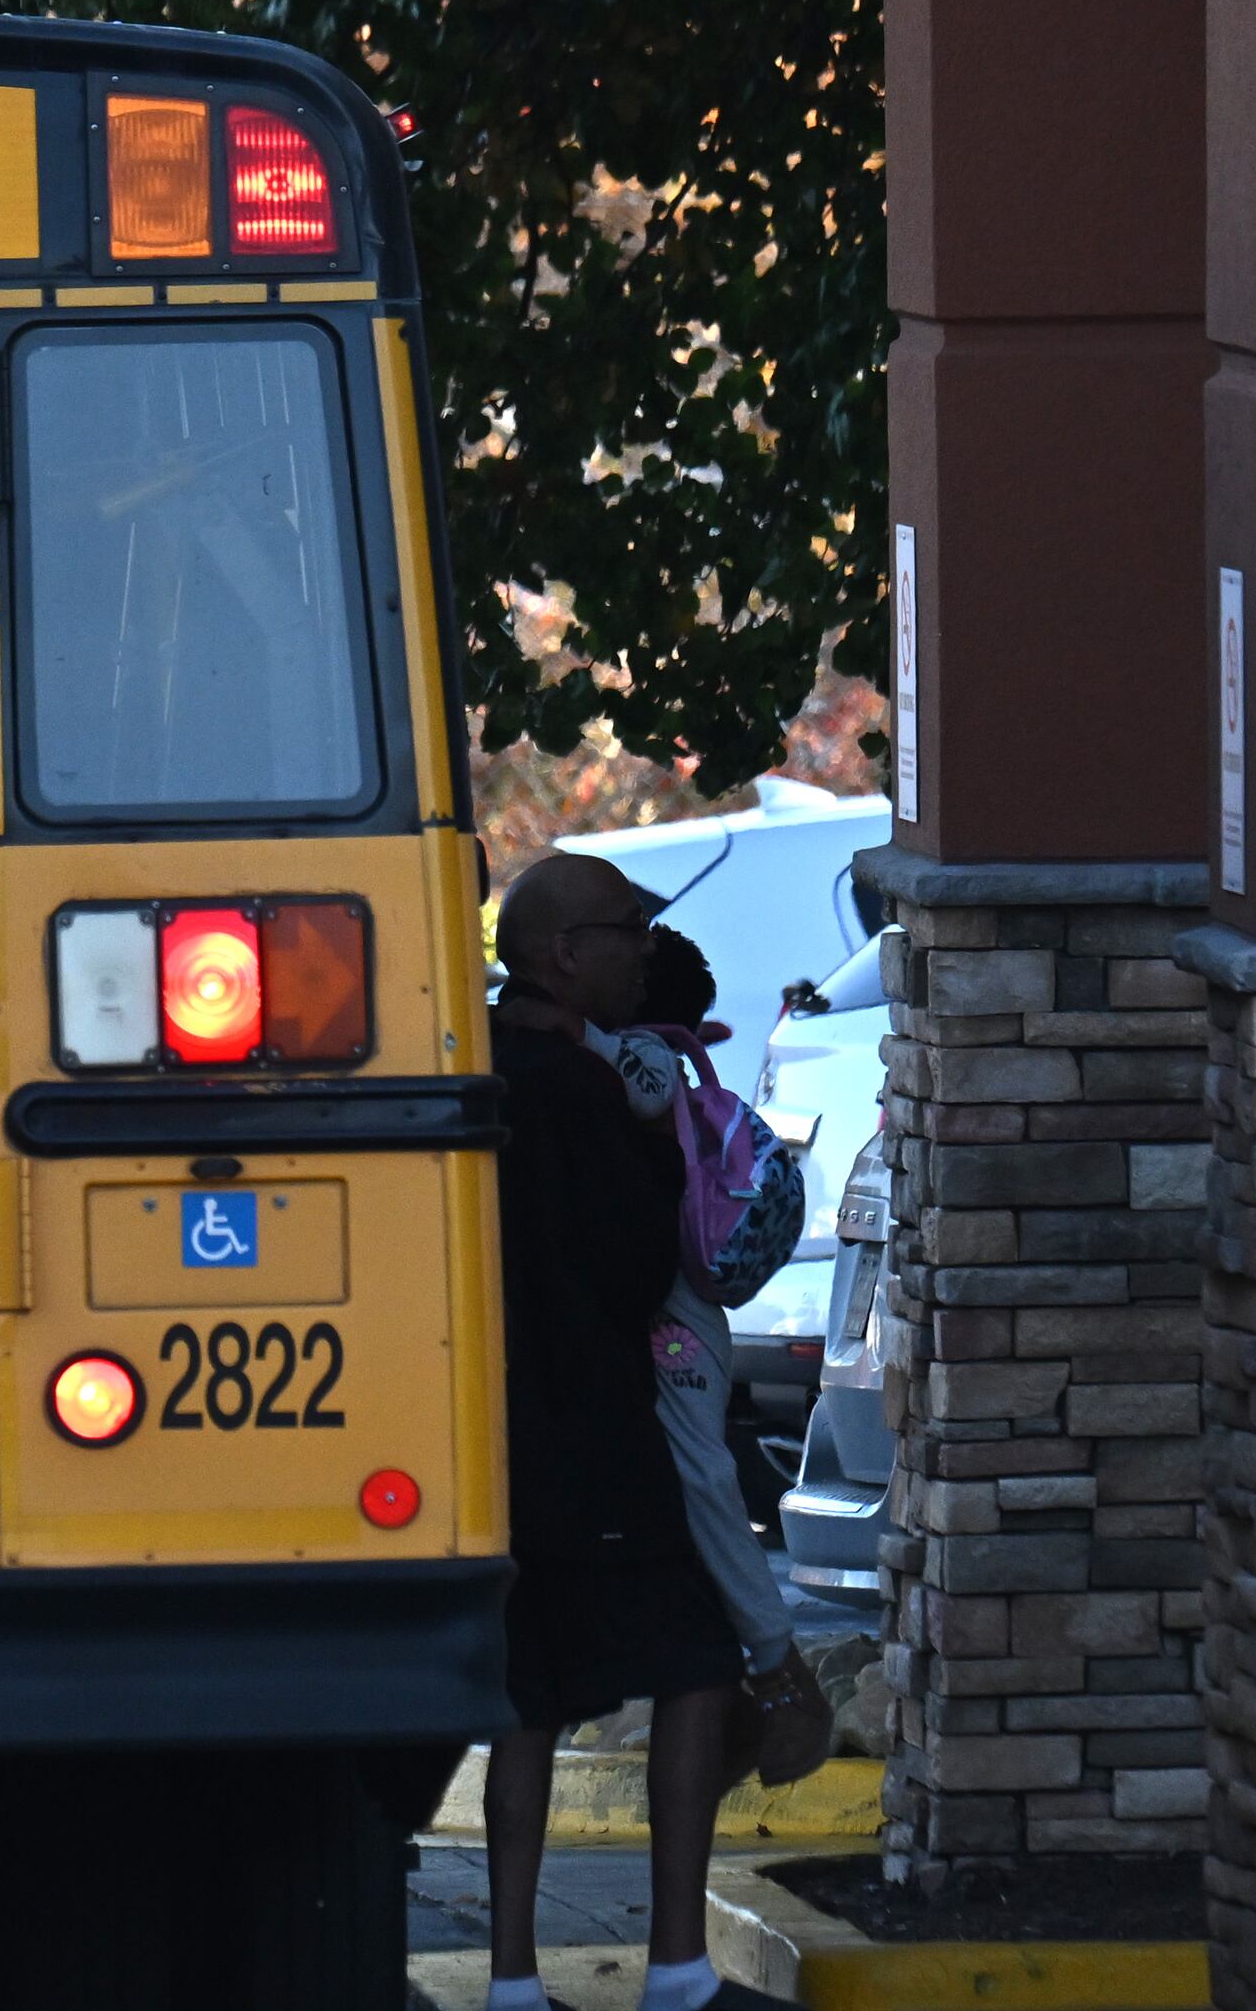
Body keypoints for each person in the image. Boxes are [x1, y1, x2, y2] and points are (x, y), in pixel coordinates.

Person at [482, 854, 788, 2011]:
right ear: (564, 955)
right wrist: (665, 1152)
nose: (641, 952)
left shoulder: (478, 1072)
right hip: (599, 1441)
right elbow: (634, 1258)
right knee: (697, 1666)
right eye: (624, 932)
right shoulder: (581, 1092)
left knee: (526, 1698)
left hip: (499, 1446)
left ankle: (511, 1979)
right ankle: (677, 1973)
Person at [607, 927, 834, 1791]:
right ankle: (757, 1690)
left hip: (671, 1307)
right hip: (694, 1302)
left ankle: (778, 1676)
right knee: (695, 1478)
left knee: (702, 1478)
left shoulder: (638, 1066)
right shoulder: (672, 1068)